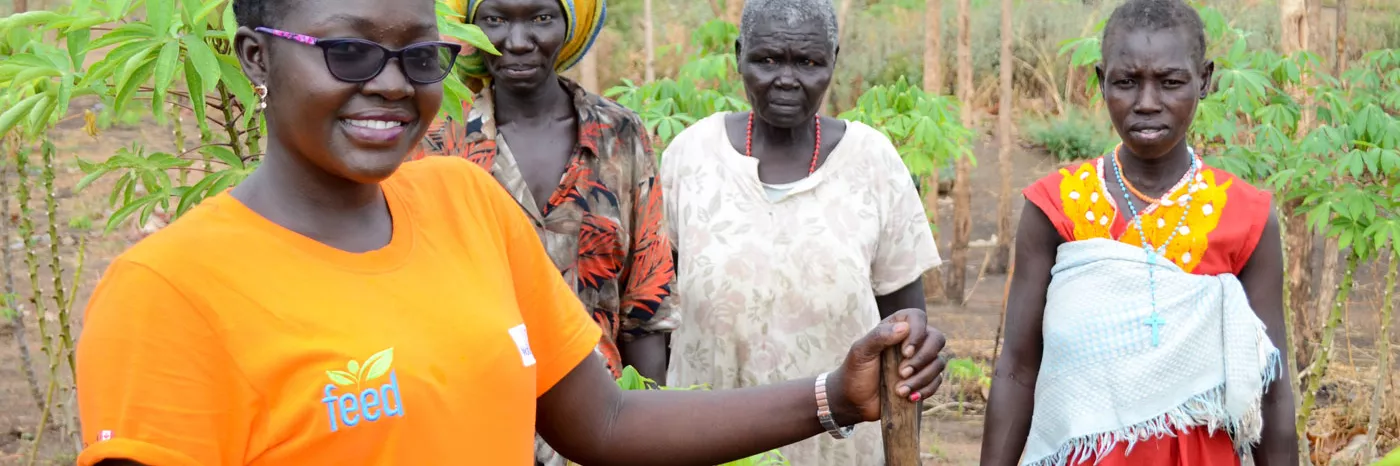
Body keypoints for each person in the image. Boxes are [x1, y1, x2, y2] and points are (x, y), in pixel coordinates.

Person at [72, 0, 950, 464]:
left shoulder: (467, 204)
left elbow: (605, 424)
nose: (391, 84)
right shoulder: (168, 294)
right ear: (258, 57)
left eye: (420, 54)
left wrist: (834, 397)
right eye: (348, 50)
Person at [978, 0, 1297, 465]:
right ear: (1100, 81)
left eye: (1171, 82)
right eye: (1126, 82)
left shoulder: (1244, 216)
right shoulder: (1058, 207)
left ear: (1205, 80)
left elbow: (1272, 386)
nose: (1147, 103)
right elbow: (1017, 370)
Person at [658, 0, 943, 463]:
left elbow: (904, 340)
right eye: (767, 60)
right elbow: (651, 315)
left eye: (808, 62)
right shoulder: (690, 157)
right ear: (739, 55)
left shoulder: (872, 162)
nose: (786, 79)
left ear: (833, 59)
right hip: (704, 441)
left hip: (838, 450)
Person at [413, 1, 676, 463]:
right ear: (472, 28)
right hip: (470, 427)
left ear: (569, 25)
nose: (517, 42)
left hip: (601, 426)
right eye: (495, 20)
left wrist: (646, 434)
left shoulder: (620, 135)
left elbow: (646, 304)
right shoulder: (437, 141)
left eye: (541, 18)